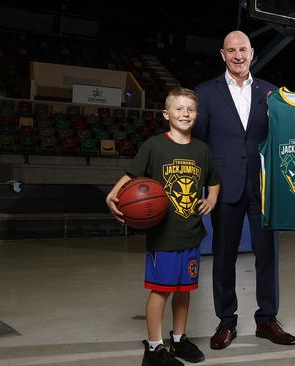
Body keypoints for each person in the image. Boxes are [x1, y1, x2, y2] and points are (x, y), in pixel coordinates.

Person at [193, 30, 295, 350]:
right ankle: (226, 322)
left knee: (268, 256)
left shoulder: (272, 93)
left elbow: (288, 135)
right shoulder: (205, 93)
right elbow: (199, 143)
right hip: (224, 187)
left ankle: (267, 319)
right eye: (231, 50)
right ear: (222, 54)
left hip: (265, 188)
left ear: (252, 53)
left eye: (243, 50)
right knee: (224, 257)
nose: (238, 55)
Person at [106, 87, 220, 366]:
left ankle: (178, 339)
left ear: (197, 115)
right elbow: (131, 175)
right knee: (161, 291)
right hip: (164, 236)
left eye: (190, 109)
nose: (185, 113)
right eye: (179, 108)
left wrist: (212, 198)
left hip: (192, 233)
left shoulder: (201, 149)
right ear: (166, 113)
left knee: (184, 290)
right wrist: (112, 193)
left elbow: (213, 180)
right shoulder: (154, 146)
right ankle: (154, 349)